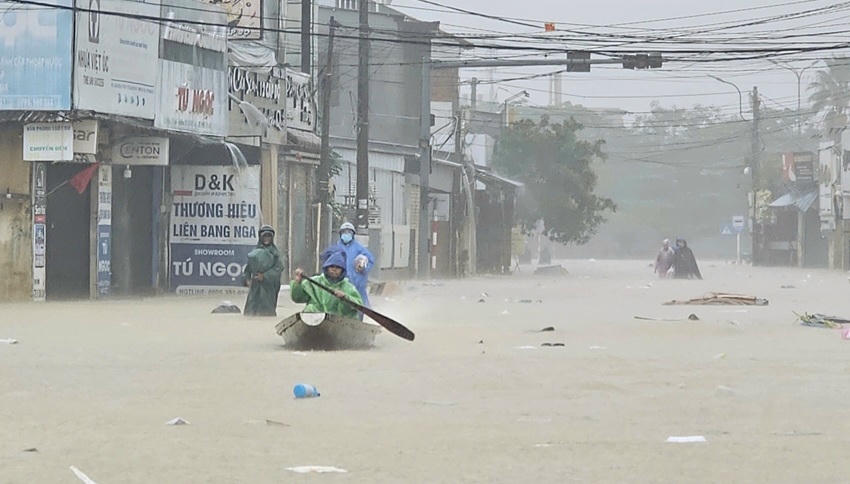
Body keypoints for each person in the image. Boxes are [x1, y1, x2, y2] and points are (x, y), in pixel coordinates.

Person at [291, 250, 363, 319]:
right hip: (315, 322)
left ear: (342, 270)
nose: (334, 269)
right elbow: (297, 298)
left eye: (338, 267)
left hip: (340, 324)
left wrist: (345, 297)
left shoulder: (348, 287)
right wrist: (297, 283)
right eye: (332, 266)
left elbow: (359, 306)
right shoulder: (313, 282)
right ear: (327, 267)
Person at [320, 222, 375, 307]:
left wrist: (363, 267)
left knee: (360, 306)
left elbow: (370, 260)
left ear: (353, 234)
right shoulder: (335, 249)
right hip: (340, 284)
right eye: (344, 232)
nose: (346, 234)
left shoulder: (359, 248)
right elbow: (325, 261)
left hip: (357, 285)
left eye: (349, 232)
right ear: (340, 234)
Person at [242, 225, 284, 316]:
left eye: (269, 236)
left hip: (269, 287)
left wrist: (264, 276)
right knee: (251, 311)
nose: (267, 238)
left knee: (266, 311)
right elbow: (248, 269)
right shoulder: (255, 252)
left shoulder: (275, 253)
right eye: (265, 236)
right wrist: (247, 279)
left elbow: (278, 269)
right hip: (255, 286)